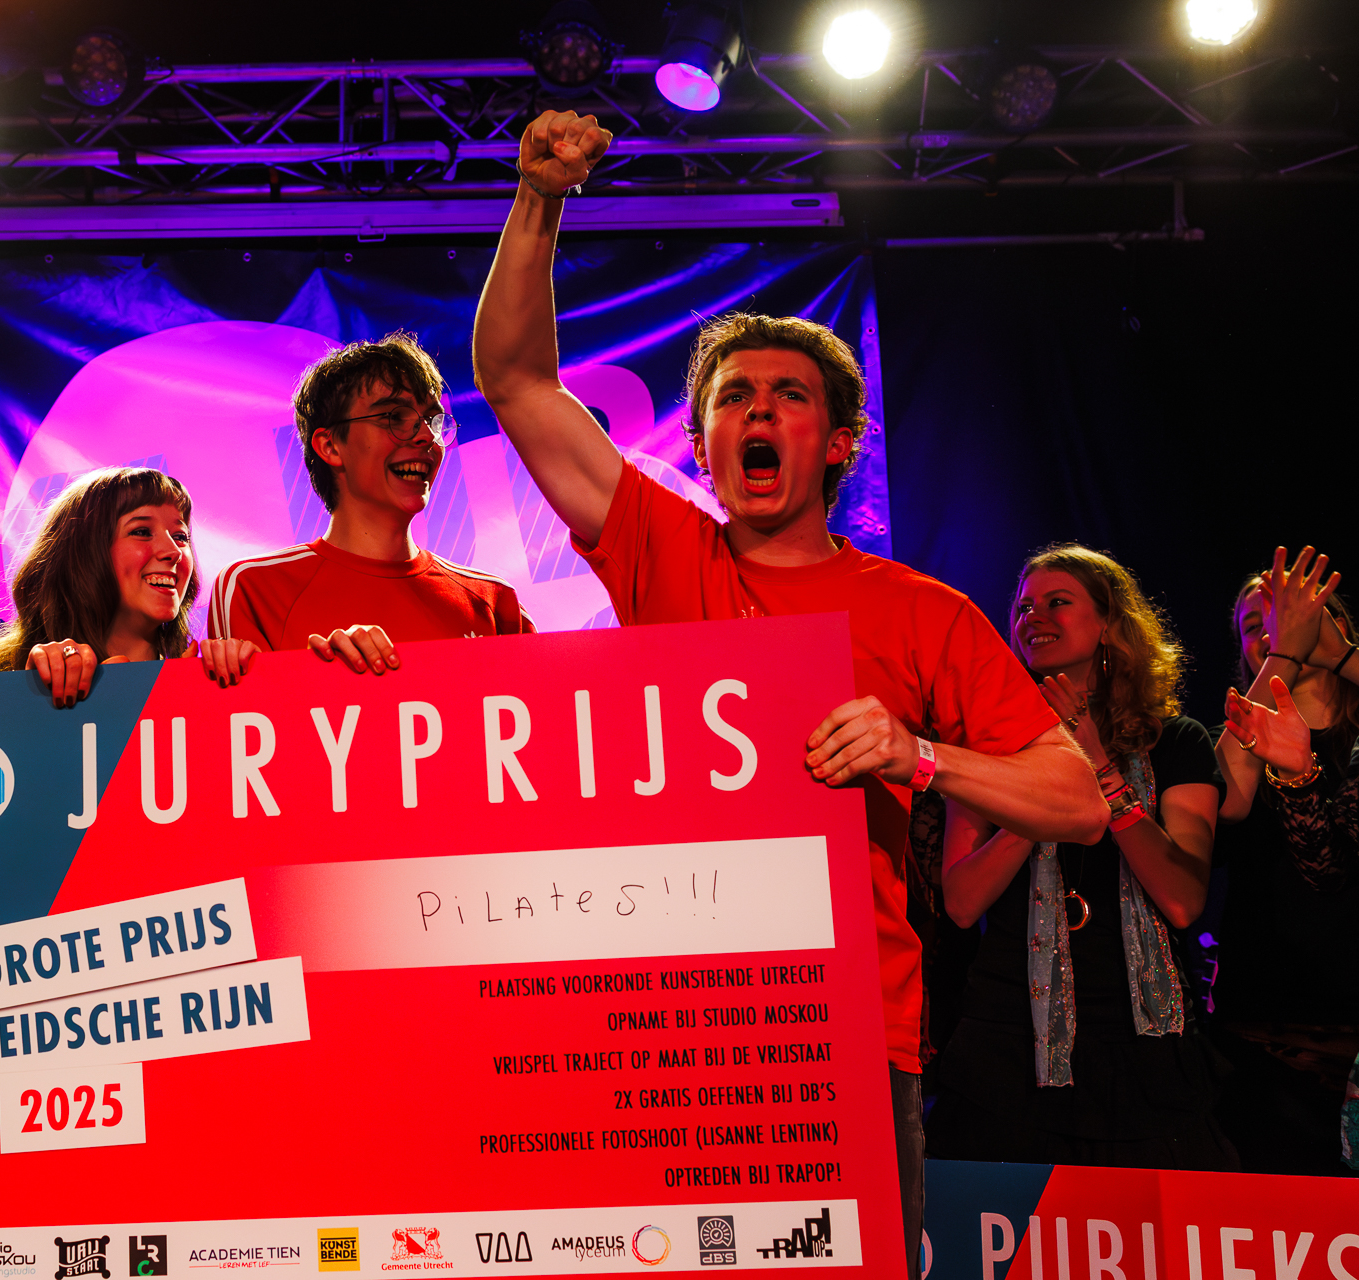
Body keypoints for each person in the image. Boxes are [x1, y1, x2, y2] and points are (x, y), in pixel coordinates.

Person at [470, 109, 1107, 1277]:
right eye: (734, 397)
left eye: (788, 395)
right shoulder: (660, 546)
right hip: (667, 1032)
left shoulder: (922, 610)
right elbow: (513, 376)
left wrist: (918, 755)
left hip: (847, 1034)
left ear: (840, 443)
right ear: (703, 441)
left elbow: (1075, 799)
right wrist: (539, 199)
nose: (758, 411)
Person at [926, 545, 1233, 1170]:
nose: (1032, 616)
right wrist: (1047, 793)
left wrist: (1097, 769)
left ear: (1109, 625)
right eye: (1023, 607)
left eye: (1057, 602)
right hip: (1008, 1045)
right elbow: (960, 902)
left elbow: (1182, 900)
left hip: (1140, 1046)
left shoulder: (1176, 741)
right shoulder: (986, 748)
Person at [208, 333, 533, 676]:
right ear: (330, 446)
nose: (426, 436)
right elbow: (241, 710)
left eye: (432, 421)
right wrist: (322, 677)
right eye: (394, 417)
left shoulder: (494, 602)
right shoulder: (254, 589)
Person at [1213, 546, 1359, 1175]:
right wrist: (1285, 656)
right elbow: (1221, 806)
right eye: (1256, 625)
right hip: (1263, 1027)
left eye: (1290, 616)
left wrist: (1340, 656)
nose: (1273, 631)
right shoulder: (1234, 739)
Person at [0, 466, 257, 701]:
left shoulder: (206, 682)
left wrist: (255, 682)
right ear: (82, 554)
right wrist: (30, 696)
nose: (173, 551)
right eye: (142, 531)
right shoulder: (8, 682)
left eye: (180, 536)